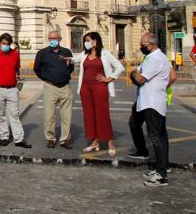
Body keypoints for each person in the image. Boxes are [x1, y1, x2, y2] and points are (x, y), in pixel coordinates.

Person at [129, 33, 177, 187]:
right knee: (159, 134)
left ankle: (161, 175)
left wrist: (133, 72)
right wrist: (162, 87)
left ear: (152, 44)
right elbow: (172, 76)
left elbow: (140, 79)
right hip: (151, 100)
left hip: (151, 102)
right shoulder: (160, 56)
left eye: (143, 44)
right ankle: (162, 166)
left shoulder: (154, 58)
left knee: (156, 136)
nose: (141, 47)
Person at [73, 32, 124, 156]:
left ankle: (110, 142)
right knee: (89, 115)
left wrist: (109, 78)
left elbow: (120, 67)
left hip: (99, 87)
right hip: (85, 88)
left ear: (95, 41)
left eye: (88, 40)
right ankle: (94, 141)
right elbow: (74, 59)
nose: (86, 42)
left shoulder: (105, 54)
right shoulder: (85, 54)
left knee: (102, 114)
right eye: (85, 40)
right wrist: (67, 59)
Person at [0, 33, 32, 148]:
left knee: (14, 115)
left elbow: (17, 69)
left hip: (12, 89)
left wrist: (17, 80)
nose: (5, 45)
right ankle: (4, 136)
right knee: (0, 114)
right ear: (0, 43)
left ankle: (19, 139)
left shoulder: (15, 55)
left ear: (10, 44)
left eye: (7, 44)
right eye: (3, 43)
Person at [33, 30, 75, 149]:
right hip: (50, 87)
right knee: (49, 115)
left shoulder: (67, 52)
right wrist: (46, 79)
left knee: (67, 115)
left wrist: (64, 74)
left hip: (65, 86)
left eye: (54, 38)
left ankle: (64, 139)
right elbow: (37, 69)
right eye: (50, 38)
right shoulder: (42, 53)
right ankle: (50, 138)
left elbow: (71, 66)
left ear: (60, 39)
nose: (52, 40)